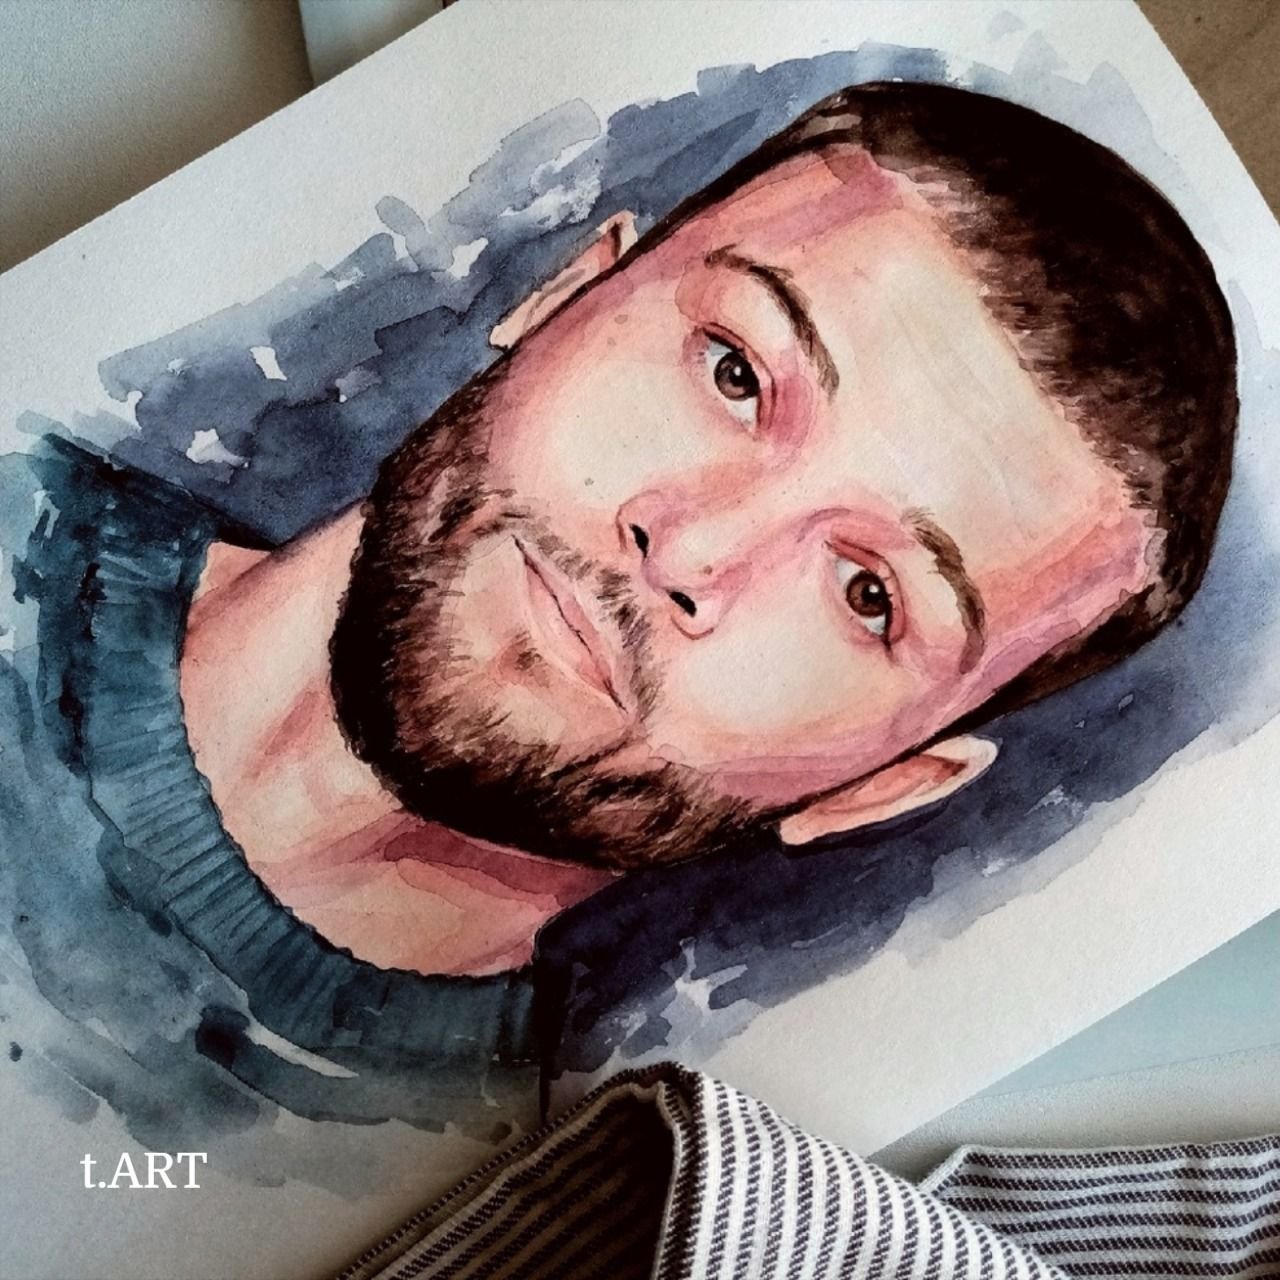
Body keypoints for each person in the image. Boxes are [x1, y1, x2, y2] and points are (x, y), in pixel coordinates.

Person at [0, 82, 1235, 1139]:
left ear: (882, 786)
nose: (691, 546)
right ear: (563, 291)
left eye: (868, 593)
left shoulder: (512, 1191)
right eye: (735, 372)